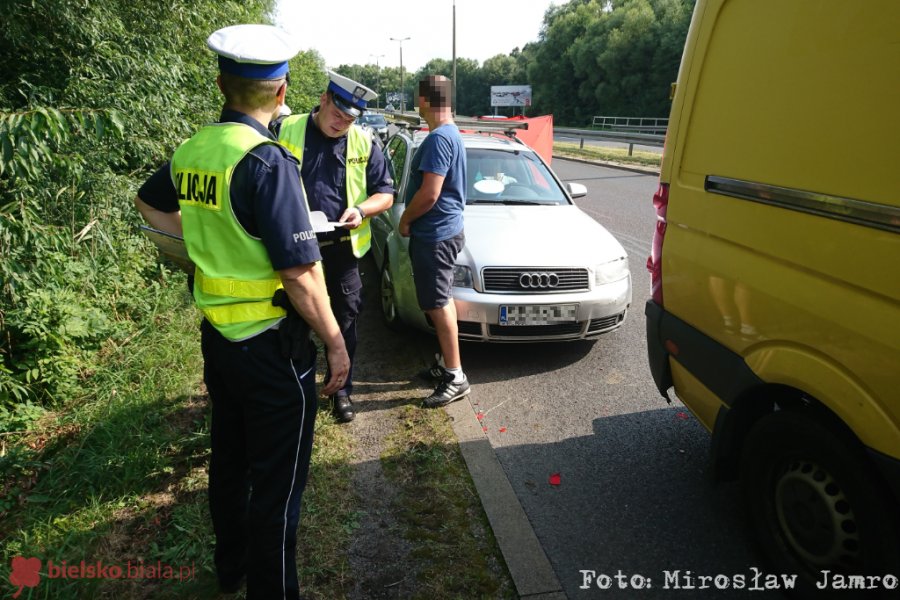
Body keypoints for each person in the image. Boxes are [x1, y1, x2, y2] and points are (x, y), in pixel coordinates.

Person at [133, 24, 349, 599]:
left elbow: (149, 204)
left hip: (219, 342)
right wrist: (335, 341)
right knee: (278, 490)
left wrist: (193, 253)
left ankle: (229, 572)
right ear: (281, 94)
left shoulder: (193, 149)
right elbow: (300, 275)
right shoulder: (267, 161)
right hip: (274, 349)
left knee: (229, 464)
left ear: (221, 84)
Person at [272, 70, 394, 423]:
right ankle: (296, 390)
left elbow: (385, 193)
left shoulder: (363, 141)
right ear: (323, 100)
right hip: (296, 247)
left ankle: (342, 390)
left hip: (342, 249)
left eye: (349, 118)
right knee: (294, 318)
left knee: (346, 323)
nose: (342, 124)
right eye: (337, 114)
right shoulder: (284, 130)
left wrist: (361, 209)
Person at [398, 75, 470, 408]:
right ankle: (445, 363)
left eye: (417, 98)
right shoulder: (451, 133)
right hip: (444, 231)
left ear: (424, 101)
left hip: (435, 234)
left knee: (438, 304)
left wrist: (406, 218)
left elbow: (430, 193)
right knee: (439, 301)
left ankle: (456, 377)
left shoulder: (440, 138)